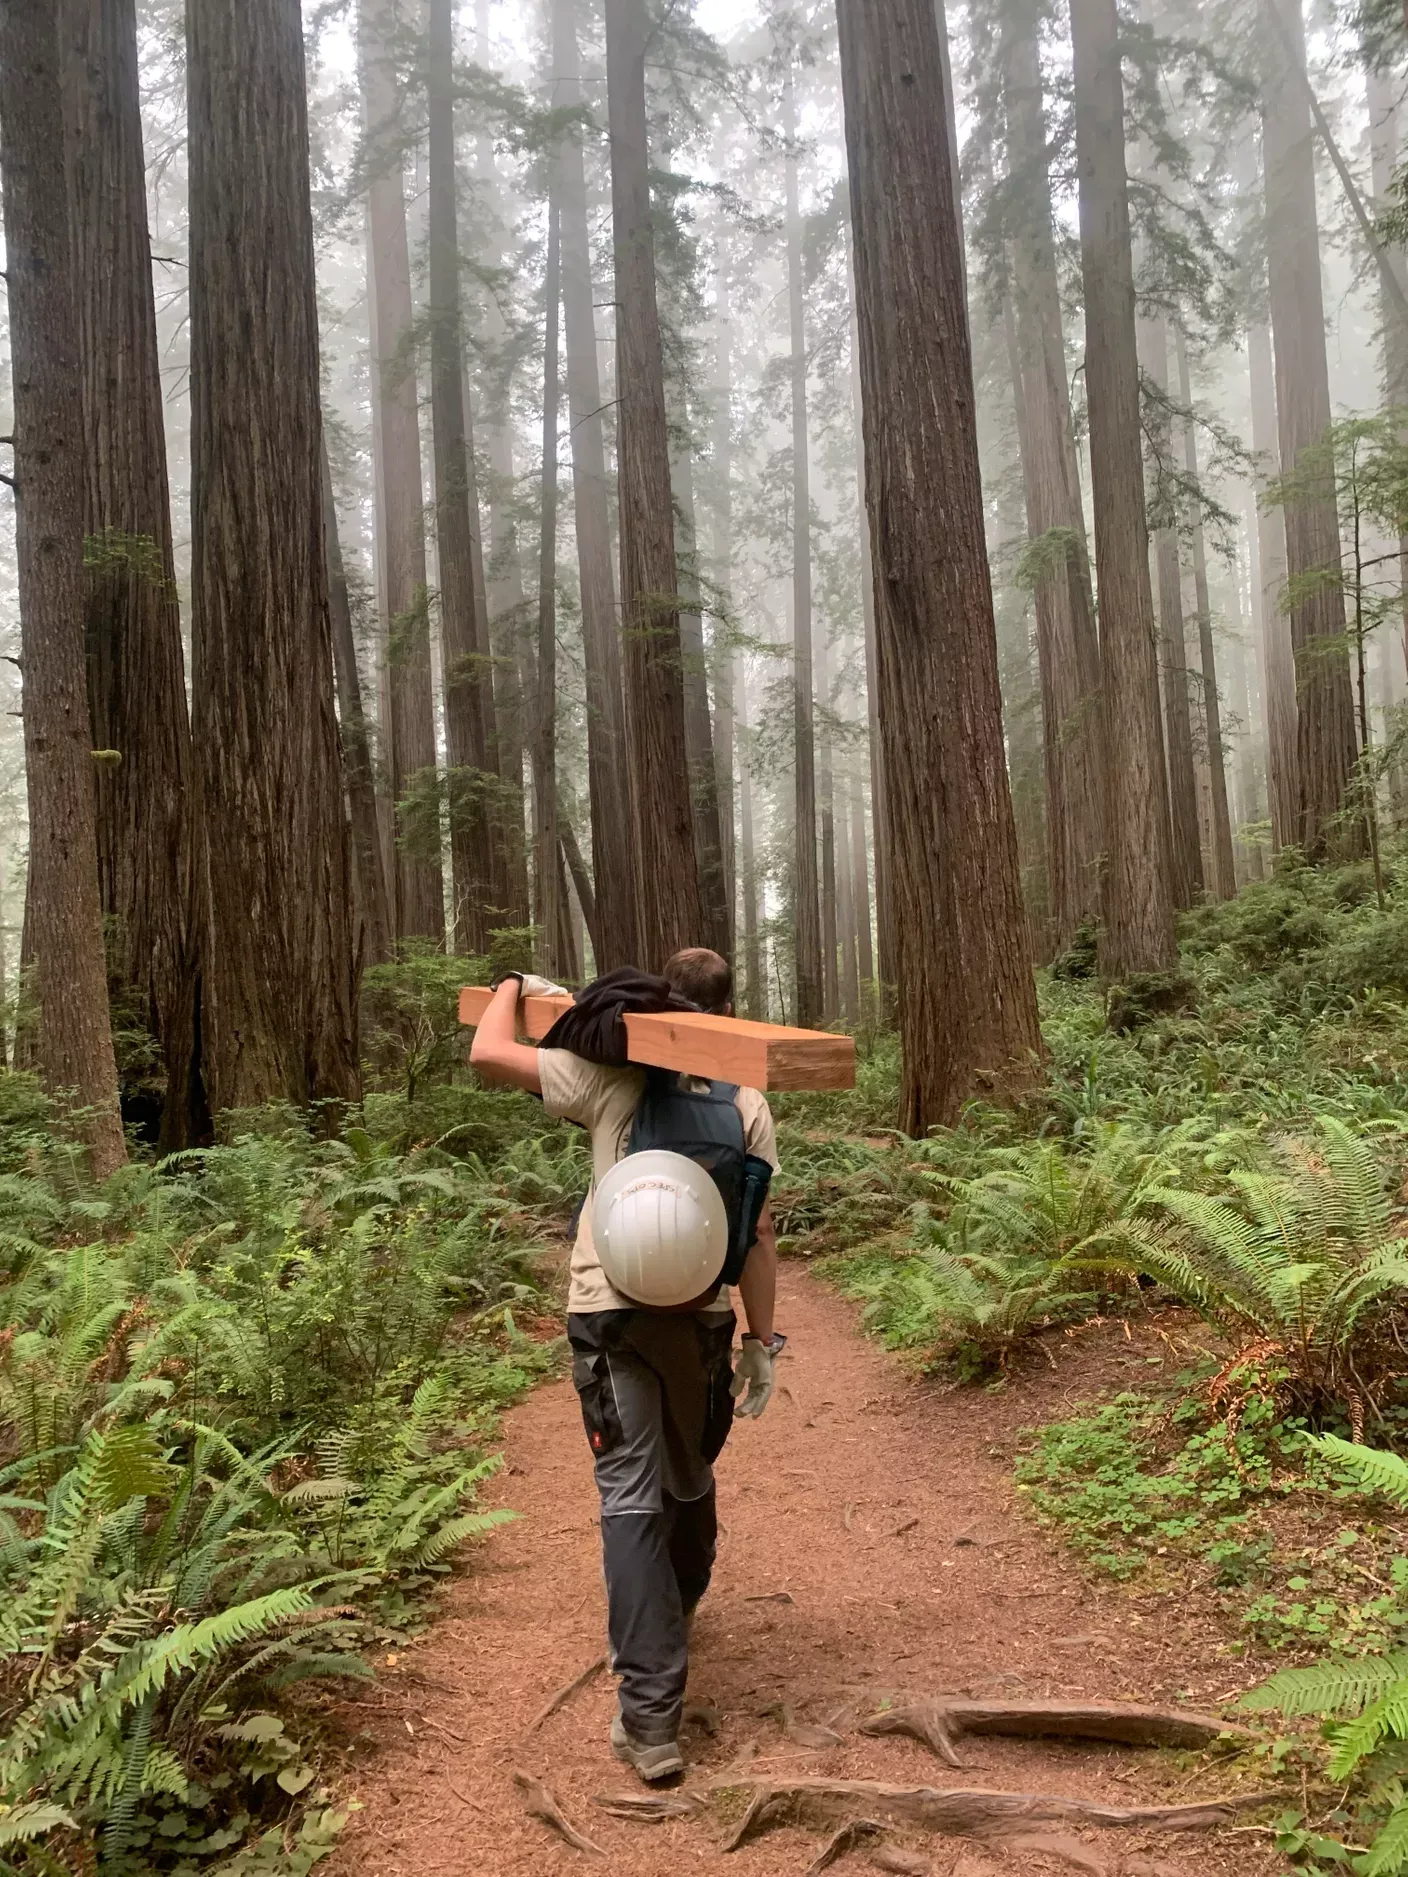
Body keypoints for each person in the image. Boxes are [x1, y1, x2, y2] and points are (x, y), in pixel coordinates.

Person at [469, 947, 779, 1782]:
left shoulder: (610, 1080)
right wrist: (761, 1338)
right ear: (728, 1008)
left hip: (609, 1312)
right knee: (687, 1471)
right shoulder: (747, 1098)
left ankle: (650, 1724)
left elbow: (487, 1053)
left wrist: (511, 984)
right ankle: (677, 1602)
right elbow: (754, 1231)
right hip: (702, 1317)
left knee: (632, 1495)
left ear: (660, 1002)